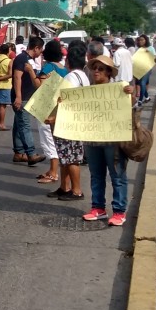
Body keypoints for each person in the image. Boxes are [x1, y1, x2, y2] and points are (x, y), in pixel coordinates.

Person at [82, 55, 133, 226]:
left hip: (113, 141)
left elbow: (132, 105)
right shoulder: (86, 92)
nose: (96, 71)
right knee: (96, 176)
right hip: (92, 140)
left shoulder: (119, 89)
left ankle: (119, 211)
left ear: (109, 73)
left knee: (117, 176)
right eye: (94, 68)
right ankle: (98, 208)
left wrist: (130, 95)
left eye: (101, 69)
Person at [46, 42, 89, 201]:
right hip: (76, 121)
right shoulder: (83, 76)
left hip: (69, 123)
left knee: (71, 158)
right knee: (65, 156)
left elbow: (65, 102)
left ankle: (76, 190)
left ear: (69, 61)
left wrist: (52, 118)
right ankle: (64, 187)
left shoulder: (71, 77)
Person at [35, 40, 68, 185]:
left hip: (46, 107)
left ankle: (53, 173)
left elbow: (41, 88)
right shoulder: (63, 68)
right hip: (59, 107)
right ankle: (52, 170)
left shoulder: (48, 67)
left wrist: (31, 73)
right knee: (54, 138)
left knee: (48, 139)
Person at [11, 36, 45, 166]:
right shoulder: (22, 59)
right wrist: (18, 97)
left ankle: (19, 152)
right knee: (25, 125)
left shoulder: (30, 60)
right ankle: (31, 153)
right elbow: (17, 77)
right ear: (36, 48)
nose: (40, 53)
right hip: (22, 97)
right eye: (40, 50)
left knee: (18, 124)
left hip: (28, 96)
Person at [135, 34, 156, 106]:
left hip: (147, 68)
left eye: (142, 40)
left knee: (142, 83)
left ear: (146, 40)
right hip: (139, 68)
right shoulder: (138, 49)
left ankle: (140, 100)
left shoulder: (150, 48)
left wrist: (148, 53)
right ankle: (147, 97)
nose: (140, 41)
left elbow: (154, 59)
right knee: (142, 83)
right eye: (139, 40)